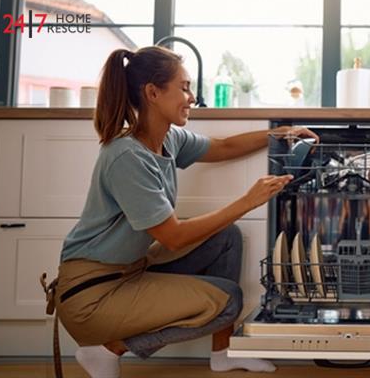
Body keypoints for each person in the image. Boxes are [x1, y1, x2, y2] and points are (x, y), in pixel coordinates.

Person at [51, 46, 318, 378]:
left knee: (226, 237)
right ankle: (106, 350)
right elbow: (173, 237)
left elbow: (222, 146)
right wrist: (247, 200)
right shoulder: (126, 156)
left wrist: (277, 133)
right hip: (93, 295)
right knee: (229, 299)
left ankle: (222, 355)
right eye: (184, 87)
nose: (192, 97)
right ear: (152, 93)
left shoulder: (168, 139)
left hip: (131, 271)